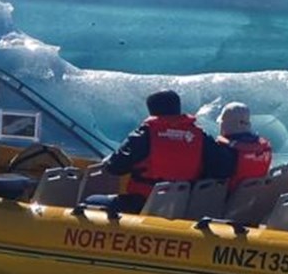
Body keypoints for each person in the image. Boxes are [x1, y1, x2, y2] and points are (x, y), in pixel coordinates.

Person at [90, 89, 229, 212]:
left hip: (143, 203)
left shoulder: (144, 134)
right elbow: (221, 169)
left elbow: (116, 168)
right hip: (184, 204)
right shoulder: (200, 135)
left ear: (152, 110)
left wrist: (110, 162)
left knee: (91, 201)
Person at [216, 101, 273, 191]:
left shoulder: (224, 151)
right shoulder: (264, 147)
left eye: (222, 122)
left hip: (230, 197)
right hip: (256, 195)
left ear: (227, 124)